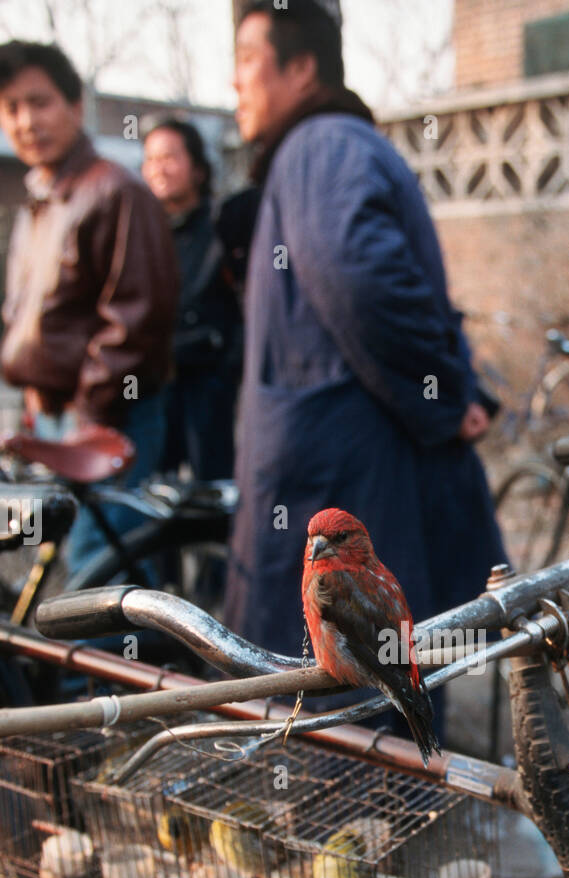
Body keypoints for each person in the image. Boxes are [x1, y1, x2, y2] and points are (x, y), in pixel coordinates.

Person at [225, 0, 506, 737]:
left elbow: (361, 277)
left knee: (353, 704)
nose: (234, 84)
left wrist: (447, 391)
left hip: (343, 457)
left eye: (248, 61)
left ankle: (357, 832)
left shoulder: (322, 146)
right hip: (334, 451)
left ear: (302, 66)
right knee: (350, 679)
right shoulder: (325, 148)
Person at [0, 40, 178, 575]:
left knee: (96, 584)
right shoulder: (40, 199)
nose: (27, 120)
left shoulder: (116, 191)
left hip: (104, 418)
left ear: (76, 107)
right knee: (68, 572)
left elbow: (137, 318)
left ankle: (121, 661)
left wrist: (92, 416)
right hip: (51, 416)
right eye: (11, 107)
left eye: (40, 101)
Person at [141, 119, 243, 482]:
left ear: (197, 168)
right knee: (151, 494)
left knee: (210, 493)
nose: (159, 168)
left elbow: (248, 306)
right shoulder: (141, 233)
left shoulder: (223, 225)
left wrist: (229, 365)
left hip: (209, 387)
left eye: (169, 157)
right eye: (150, 159)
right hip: (155, 387)